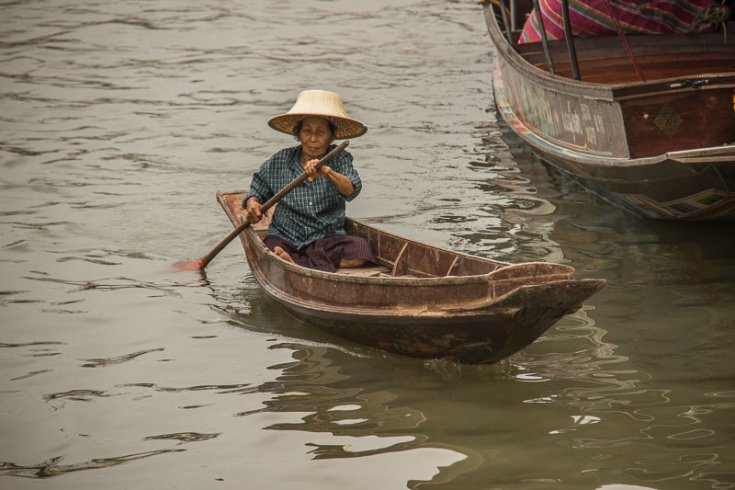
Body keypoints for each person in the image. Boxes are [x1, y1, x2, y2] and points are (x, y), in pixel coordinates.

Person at [243, 89, 376, 273]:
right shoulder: (280, 160)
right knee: (272, 249)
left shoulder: (340, 158)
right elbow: (256, 191)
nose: (313, 139)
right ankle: (308, 262)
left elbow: (351, 190)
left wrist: (327, 172)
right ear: (298, 134)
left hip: (325, 237)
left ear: (332, 136)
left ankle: (296, 263)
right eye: (307, 132)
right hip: (286, 235)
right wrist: (253, 205)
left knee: (360, 252)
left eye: (320, 132)